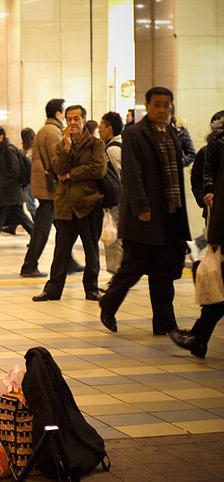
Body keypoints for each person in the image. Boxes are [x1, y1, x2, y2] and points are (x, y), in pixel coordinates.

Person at [99, 87, 191, 335]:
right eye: (157, 105)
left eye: (166, 105)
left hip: (169, 213)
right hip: (144, 215)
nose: (162, 110)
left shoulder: (171, 132)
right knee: (133, 267)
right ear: (147, 106)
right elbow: (132, 174)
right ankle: (108, 304)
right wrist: (141, 207)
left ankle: (165, 323)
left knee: (163, 271)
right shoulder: (135, 133)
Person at [32, 105, 106, 302]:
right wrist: (66, 148)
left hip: (89, 204)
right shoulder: (62, 144)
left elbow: (98, 169)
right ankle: (52, 290)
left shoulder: (96, 144)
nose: (73, 122)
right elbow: (58, 168)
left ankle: (91, 289)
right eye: (69, 119)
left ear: (84, 121)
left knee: (91, 250)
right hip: (66, 205)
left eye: (76, 119)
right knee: (61, 251)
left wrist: (71, 174)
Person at [171, 110, 224, 358]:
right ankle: (199, 337)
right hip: (217, 222)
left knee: (220, 286)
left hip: (220, 228)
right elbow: (201, 178)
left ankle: (199, 338)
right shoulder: (212, 149)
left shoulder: (215, 146)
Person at [20, 99, 65, 277]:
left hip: (44, 185)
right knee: (42, 229)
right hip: (50, 188)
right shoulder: (53, 132)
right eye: (63, 112)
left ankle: (68, 261)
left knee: (61, 228)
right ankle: (29, 265)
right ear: (58, 114)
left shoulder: (44, 130)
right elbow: (56, 161)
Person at [0, 126, 33, 248]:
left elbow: (14, 169)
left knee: (10, 215)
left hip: (9, 190)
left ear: (1, 137)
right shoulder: (2, 149)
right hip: (9, 190)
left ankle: (36, 236)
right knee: (2, 215)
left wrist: (3, 182)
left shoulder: (8, 149)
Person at [99, 111, 124, 278]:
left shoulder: (112, 150)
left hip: (117, 200)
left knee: (113, 237)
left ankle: (117, 275)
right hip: (121, 199)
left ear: (109, 129)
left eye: (101, 128)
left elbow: (117, 177)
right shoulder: (121, 145)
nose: (99, 131)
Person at [20, 127, 37, 219]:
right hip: (29, 180)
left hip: (29, 180)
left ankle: (39, 223)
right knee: (28, 203)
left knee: (30, 204)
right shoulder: (32, 149)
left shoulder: (31, 151)